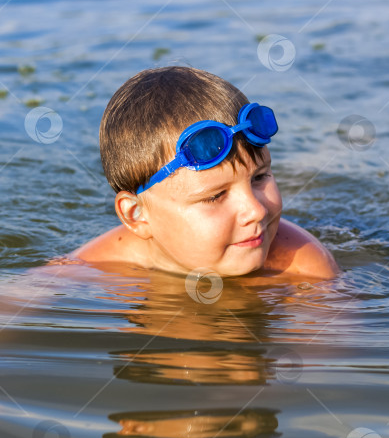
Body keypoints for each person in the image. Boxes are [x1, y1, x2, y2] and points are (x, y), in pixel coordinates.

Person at [68, 66, 339, 279]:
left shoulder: (305, 269)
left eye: (259, 177)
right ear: (136, 215)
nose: (256, 210)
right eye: (215, 196)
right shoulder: (94, 267)